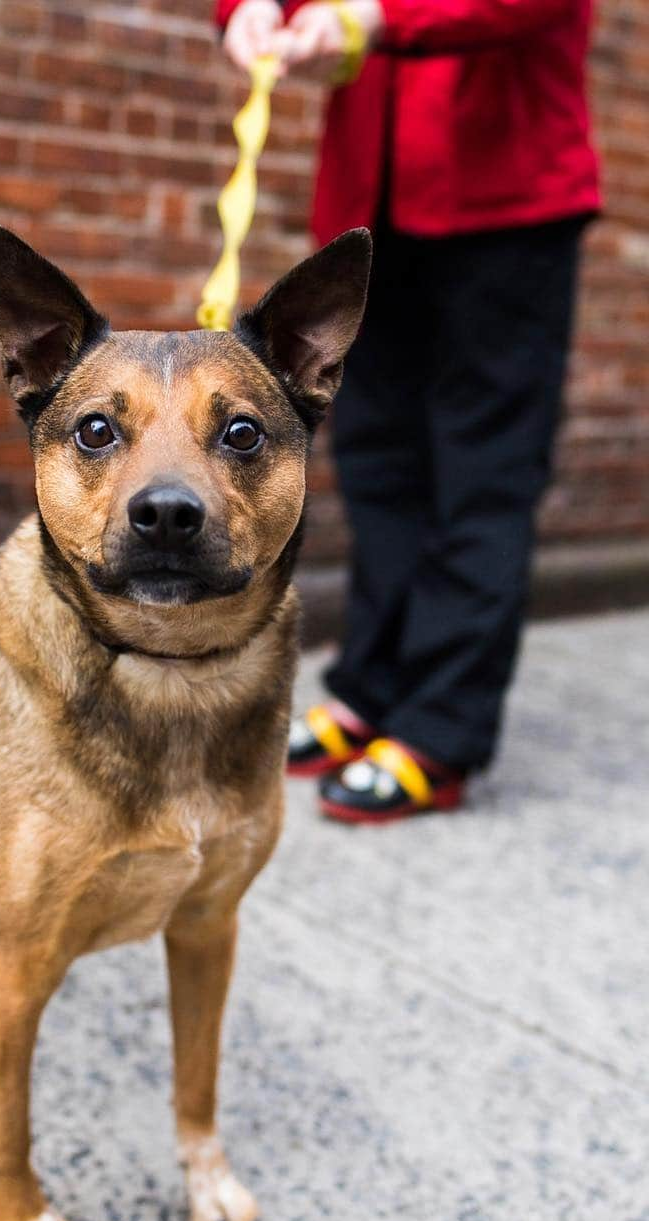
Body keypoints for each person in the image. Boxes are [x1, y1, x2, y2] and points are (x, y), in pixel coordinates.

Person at [218, 0, 601, 823]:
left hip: (506, 192)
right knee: (376, 455)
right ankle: (374, 687)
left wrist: (373, 16)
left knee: (484, 466)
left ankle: (441, 724)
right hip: (373, 193)